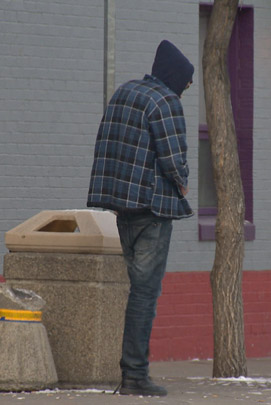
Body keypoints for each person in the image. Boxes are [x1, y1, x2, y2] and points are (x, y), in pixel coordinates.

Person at [86, 40, 194, 397]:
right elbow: (173, 159)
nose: (186, 89)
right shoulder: (166, 101)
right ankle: (134, 375)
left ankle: (132, 372)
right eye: (186, 82)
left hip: (123, 208)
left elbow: (108, 145)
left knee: (137, 289)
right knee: (145, 293)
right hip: (153, 209)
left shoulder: (124, 93)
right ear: (175, 76)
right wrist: (183, 182)